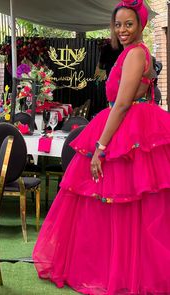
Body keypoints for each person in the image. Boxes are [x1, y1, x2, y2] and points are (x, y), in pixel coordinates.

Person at [33, 0, 170, 294]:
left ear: (141, 25)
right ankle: (120, 269)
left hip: (125, 126)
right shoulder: (133, 53)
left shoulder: (135, 54)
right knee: (126, 207)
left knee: (122, 203)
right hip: (129, 124)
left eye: (128, 24)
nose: (122, 30)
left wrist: (101, 146)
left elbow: (121, 105)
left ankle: (121, 273)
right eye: (118, 24)